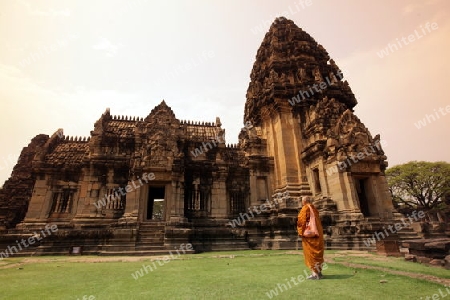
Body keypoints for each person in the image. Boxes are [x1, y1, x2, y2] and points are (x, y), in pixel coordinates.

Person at [297, 196, 325, 280]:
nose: (302, 203)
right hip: (318, 234)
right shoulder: (315, 209)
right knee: (317, 253)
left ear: (304, 202)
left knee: (311, 253)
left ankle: (314, 274)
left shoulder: (305, 209)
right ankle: (319, 272)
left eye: (302, 201)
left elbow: (301, 222)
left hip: (310, 236)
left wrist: (301, 232)